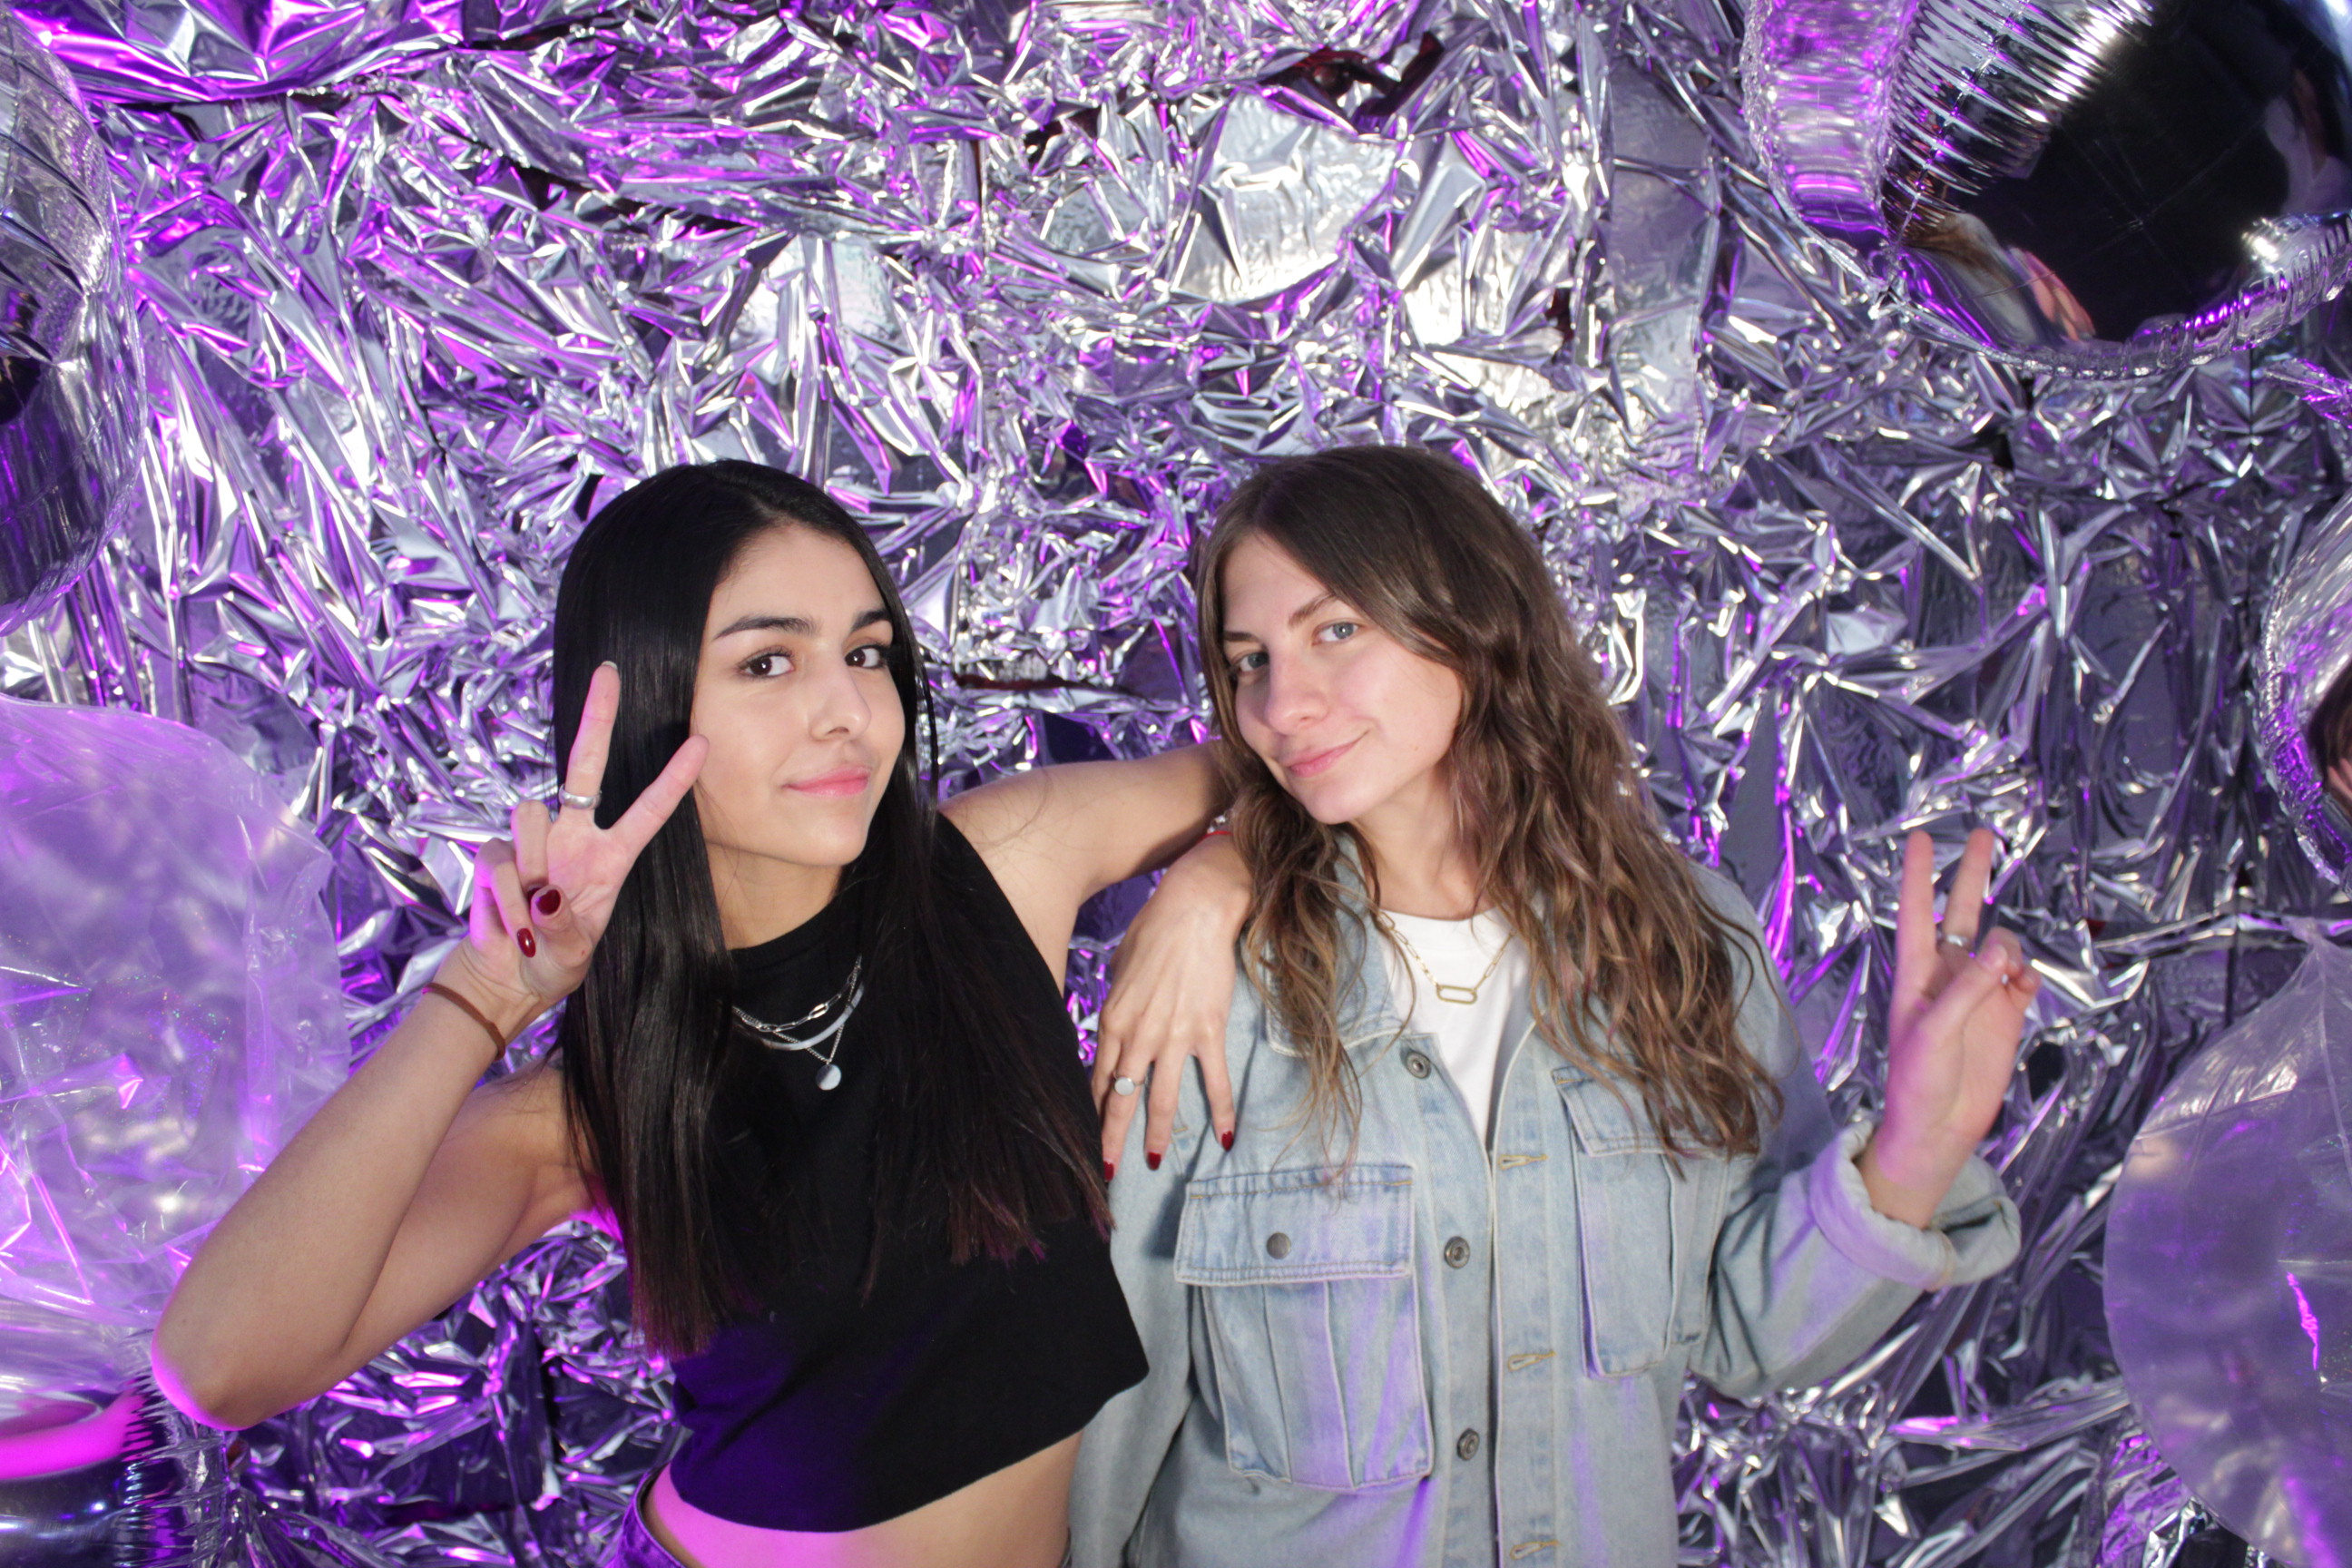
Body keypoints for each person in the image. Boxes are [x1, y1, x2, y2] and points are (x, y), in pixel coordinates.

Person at [152, 461, 1230, 1568]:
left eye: (865, 653)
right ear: (653, 706)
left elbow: (1288, 768)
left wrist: (1215, 881)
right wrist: (483, 997)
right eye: (768, 662)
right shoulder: (600, 1100)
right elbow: (220, 1368)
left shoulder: (1004, 867)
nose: (849, 712)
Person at [1072, 445, 2037, 1568]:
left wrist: (1917, 1146)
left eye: (1335, 629)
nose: (1282, 704)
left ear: (1471, 621)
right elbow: (1113, 1401)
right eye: (1250, 660)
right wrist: (1212, 872)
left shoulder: (1686, 947)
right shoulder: (1217, 982)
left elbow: (1749, 1332)